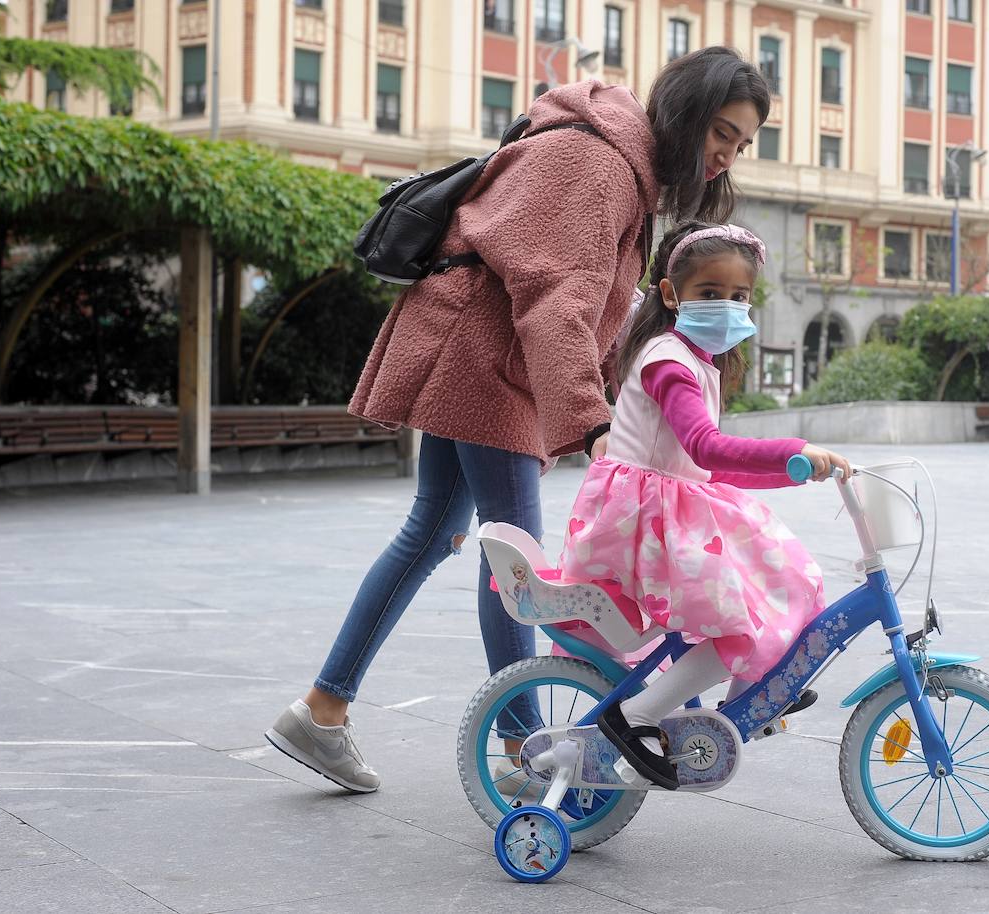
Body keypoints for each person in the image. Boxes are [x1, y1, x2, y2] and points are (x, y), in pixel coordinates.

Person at [264, 48, 773, 794]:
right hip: (487, 356)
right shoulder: (599, 163)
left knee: (436, 532)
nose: (727, 155)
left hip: (479, 347)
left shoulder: (622, 164)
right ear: (687, 112)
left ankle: (324, 708)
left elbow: (583, 300)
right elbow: (557, 299)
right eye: (722, 132)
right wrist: (590, 421)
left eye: (743, 143)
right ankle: (522, 749)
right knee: (517, 559)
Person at [557, 221, 851, 790]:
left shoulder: (697, 360)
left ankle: (751, 698)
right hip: (642, 523)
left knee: (790, 574)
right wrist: (794, 447)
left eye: (739, 296)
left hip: (669, 508)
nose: (727, 307)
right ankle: (634, 717)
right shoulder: (668, 360)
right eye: (710, 294)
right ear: (672, 296)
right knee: (743, 619)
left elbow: (707, 465)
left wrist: (791, 472)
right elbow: (704, 446)